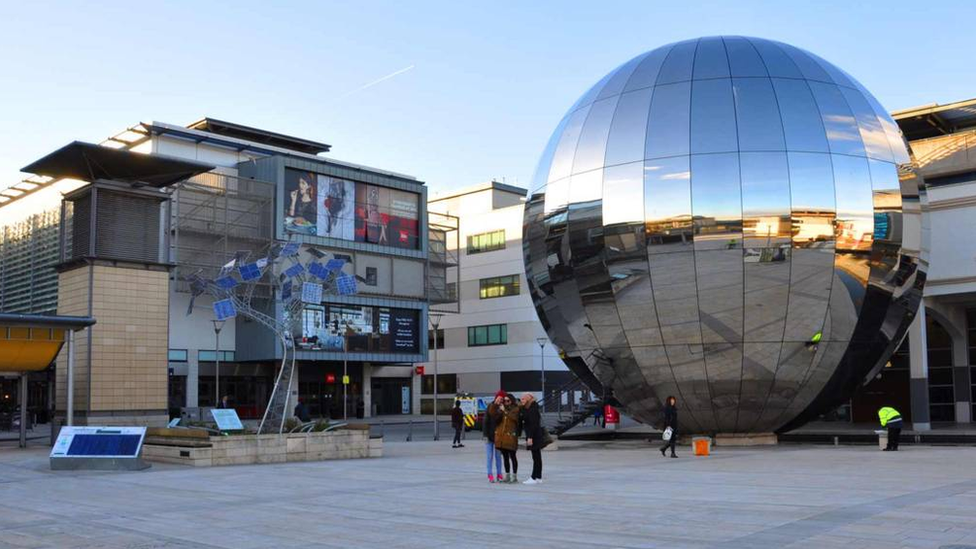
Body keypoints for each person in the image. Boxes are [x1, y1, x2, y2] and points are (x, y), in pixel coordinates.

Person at [493, 393, 521, 483]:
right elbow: (496, 420)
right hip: (502, 437)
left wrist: (505, 411)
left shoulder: (516, 409)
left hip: (511, 436)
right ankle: (507, 475)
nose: (506, 402)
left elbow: (514, 418)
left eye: (508, 400)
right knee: (505, 457)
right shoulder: (501, 409)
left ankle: (514, 476)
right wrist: (500, 412)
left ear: (511, 401)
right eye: (504, 401)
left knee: (512, 456)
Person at [520, 393, 544, 484]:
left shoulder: (532, 409)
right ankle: (538, 477)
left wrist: (530, 437)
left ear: (528, 399)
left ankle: (534, 477)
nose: (521, 401)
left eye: (523, 399)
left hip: (534, 436)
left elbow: (533, 425)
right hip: (534, 435)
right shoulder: (528, 408)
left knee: (536, 457)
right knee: (537, 456)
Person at [483, 392, 505, 483]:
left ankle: (499, 474)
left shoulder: (501, 409)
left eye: (502, 399)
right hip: (489, 436)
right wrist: (485, 435)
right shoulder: (490, 407)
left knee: (498, 456)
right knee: (489, 456)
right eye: (499, 398)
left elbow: (499, 421)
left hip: (498, 436)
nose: (500, 400)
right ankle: (490, 474)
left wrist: (502, 411)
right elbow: (485, 422)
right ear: (496, 397)